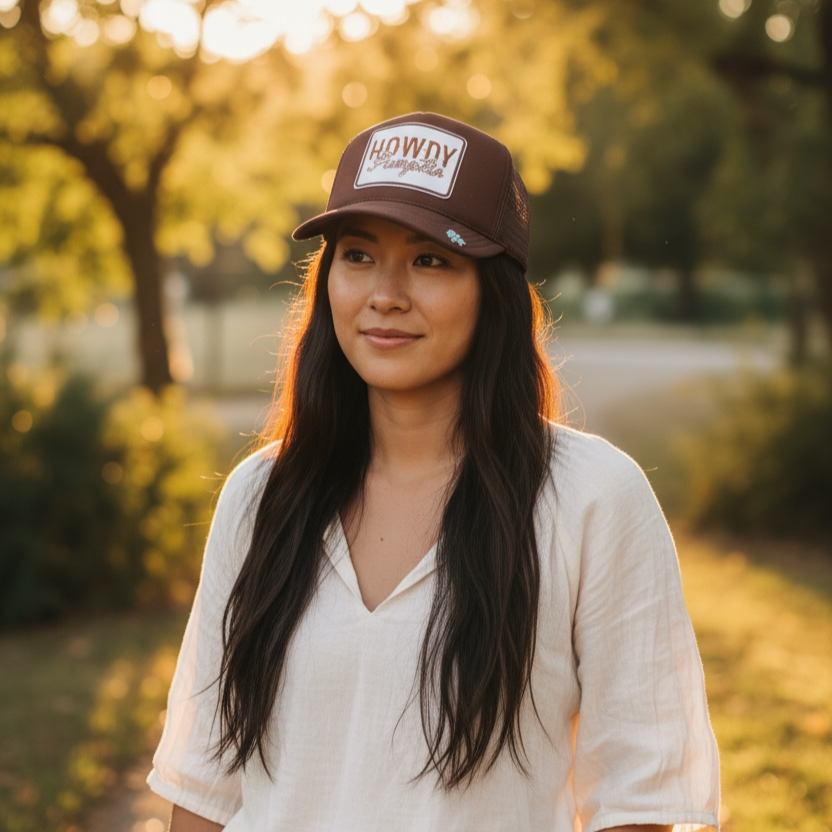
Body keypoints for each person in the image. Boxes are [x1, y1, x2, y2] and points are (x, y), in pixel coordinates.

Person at [148, 112, 720, 832]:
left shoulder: (592, 498)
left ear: (495, 292)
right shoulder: (261, 497)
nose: (385, 293)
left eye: (430, 260)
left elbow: (639, 799)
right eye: (357, 255)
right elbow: (204, 789)